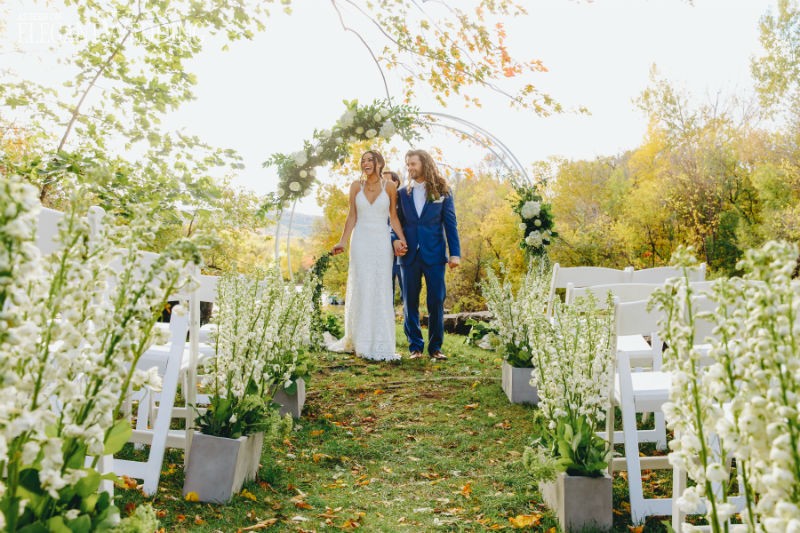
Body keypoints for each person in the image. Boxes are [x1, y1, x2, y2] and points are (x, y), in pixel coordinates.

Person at [329, 151, 408, 361]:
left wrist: (402, 239)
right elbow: (351, 216)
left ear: (379, 163)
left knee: (381, 287)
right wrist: (342, 242)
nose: (365, 163)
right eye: (363, 161)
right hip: (360, 241)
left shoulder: (389, 187)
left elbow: (393, 216)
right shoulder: (356, 186)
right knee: (362, 286)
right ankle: (359, 340)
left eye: (369, 160)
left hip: (382, 242)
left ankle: (380, 341)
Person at [392, 149, 460, 360]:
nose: (410, 168)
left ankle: (436, 348)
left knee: (436, 301)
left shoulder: (443, 191)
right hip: (408, 255)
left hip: (435, 255)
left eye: (413, 163)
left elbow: (451, 224)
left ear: (424, 164)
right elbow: (395, 223)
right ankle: (415, 348)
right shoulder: (402, 193)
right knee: (409, 302)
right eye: (408, 164)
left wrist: (455, 254)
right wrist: (395, 240)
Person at [383, 169, 404, 305]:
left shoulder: (405, 202)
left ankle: (408, 324)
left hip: (403, 253)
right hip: (385, 254)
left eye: (386, 181)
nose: (383, 184)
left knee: (407, 292)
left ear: (395, 183)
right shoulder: (380, 204)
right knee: (385, 292)